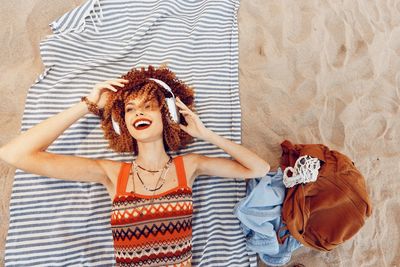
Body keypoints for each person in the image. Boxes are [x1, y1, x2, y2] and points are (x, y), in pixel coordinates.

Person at [0, 65, 270, 267]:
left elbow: (258, 169)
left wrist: (207, 135)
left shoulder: (189, 166)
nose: (138, 112)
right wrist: (88, 105)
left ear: (168, 116)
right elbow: (14, 154)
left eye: (148, 106)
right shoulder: (111, 173)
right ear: (121, 122)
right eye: (129, 109)